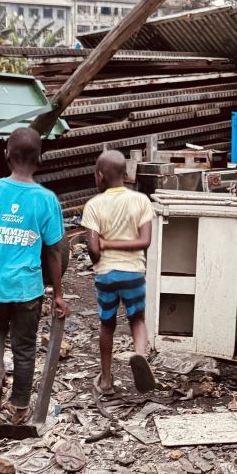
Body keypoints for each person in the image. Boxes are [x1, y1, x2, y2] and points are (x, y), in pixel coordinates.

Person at [0, 127, 69, 425]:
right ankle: (20, 406)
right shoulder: (46, 200)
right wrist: (58, 294)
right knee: (24, 347)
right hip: (27, 289)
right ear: (40, 159)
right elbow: (53, 252)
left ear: (6, 155)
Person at [81, 150, 156, 395]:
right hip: (133, 273)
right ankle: (139, 354)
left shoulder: (93, 205)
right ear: (126, 174)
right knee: (137, 319)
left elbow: (93, 248)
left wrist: (104, 246)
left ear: (99, 176)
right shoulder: (141, 200)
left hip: (106, 275)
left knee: (107, 325)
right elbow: (145, 241)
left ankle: (105, 380)